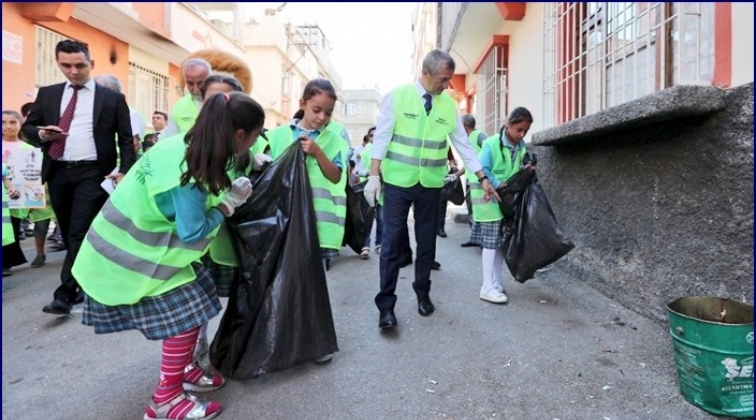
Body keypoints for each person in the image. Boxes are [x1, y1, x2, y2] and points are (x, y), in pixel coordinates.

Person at [71, 91, 263, 420]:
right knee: (187, 316)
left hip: (129, 245)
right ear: (240, 135)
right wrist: (229, 204)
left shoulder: (182, 145)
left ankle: (183, 366)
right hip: (127, 257)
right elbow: (193, 231)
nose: (254, 145)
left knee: (200, 295)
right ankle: (166, 400)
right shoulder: (191, 172)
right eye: (256, 138)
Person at [363, 49, 499, 329]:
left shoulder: (448, 106)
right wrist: (373, 176)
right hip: (399, 182)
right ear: (425, 73)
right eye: (443, 79)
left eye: (449, 79)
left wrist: (482, 176)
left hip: (431, 185)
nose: (447, 84)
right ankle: (386, 306)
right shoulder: (397, 97)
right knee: (390, 244)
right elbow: (383, 137)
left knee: (426, 243)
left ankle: (422, 293)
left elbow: (463, 145)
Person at [22, 39, 136, 315]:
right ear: (58, 64)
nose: (73, 71)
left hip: (94, 173)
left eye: (80, 65)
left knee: (77, 231)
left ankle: (65, 293)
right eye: (66, 65)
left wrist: (125, 170)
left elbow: (126, 139)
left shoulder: (111, 98)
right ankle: (88, 283)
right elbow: (27, 128)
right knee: (70, 230)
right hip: (58, 171)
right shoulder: (48, 94)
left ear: (91, 64)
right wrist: (41, 134)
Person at [192, 73, 270, 363]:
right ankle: (197, 345)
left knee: (218, 293)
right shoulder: (191, 145)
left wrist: (254, 160)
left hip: (225, 233)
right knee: (196, 297)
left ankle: (230, 344)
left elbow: (242, 160)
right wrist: (226, 205)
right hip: (197, 235)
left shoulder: (238, 143)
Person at [267, 78, 345, 362]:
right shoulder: (277, 136)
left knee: (312, 284)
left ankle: (313, 341)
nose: (321, 118)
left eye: (328, 113)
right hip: (283, 222)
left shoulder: (333, 138)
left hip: (315, 226)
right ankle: (282, 339)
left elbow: (336, 175)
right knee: (282, 282)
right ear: (302, 104)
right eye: (316, 110)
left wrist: (317, 151)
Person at [474, 107, 535, 303]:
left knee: (500, 243)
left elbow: (515, 170)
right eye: (519, 129)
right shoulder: (491, 144)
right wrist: (498, 183)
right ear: (508, 124)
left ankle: (496, 282)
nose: (522, 134)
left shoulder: (521, 148)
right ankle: (486, 286)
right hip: (487, 197)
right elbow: (481, 168)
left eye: (525, 131)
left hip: (505, 199)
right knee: (491, 243)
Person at [3, 110, 55, 270]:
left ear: (21, 125)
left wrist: (33, 198)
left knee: (14, 226)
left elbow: (32, 176)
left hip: (18, 198)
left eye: (13, 122)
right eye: (3, 123)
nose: (8, 126)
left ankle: (7, 262)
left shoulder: (29, 149)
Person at [94, 74, 144, 158]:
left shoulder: (131, 113)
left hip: (118, 166)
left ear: (110, 90)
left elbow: (134, 144)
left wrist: (123, 168)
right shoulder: (103, 111)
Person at [460, 114, 488, 248]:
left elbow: (489, 149)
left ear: (464, 123)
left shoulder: (478, 135)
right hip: (470, 179)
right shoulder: (466, 139)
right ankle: (475, 238)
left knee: (480, 210)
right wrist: (456, 174)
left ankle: (483, 241)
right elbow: (468, 162)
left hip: (478, 180)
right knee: (472, 210)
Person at [171, 57, 213, 133]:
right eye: (190, 84)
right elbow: (170, 140)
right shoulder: (178, 107)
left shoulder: (226, 102)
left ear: (211, 79)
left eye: (200, 83)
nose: (195, 89)